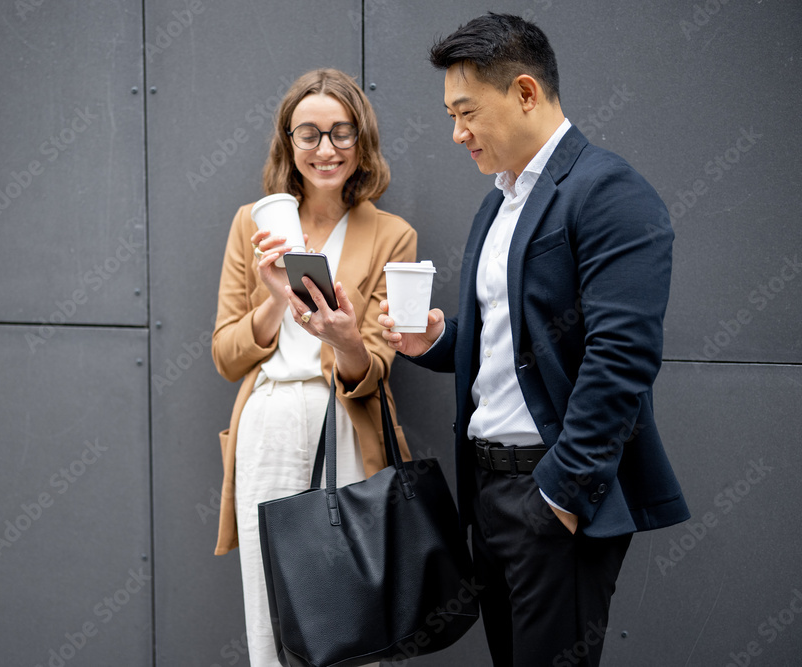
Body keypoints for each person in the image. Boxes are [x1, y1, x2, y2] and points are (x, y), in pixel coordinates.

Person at [378, 14, 689, 667]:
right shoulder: (497, 203)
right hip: (488, 495)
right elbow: (510, 343)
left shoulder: (607, 190)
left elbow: (622, 356)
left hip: (551, 497)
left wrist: (561, 495)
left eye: (466, 112)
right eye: (449, 114)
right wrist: (437, 341)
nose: (455, 132)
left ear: (525, 92)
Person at [212, 68, 416, 666]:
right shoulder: (253, 224)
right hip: (269, 422)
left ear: (362, 140)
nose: (326, 149)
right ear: (288, 142)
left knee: (354, 611)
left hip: (346, 423)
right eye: (309, 134)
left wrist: (347, 338)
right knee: (271, 611)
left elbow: (375, 370)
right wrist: (274, 295)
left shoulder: (390, 234)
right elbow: (226, 356)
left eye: (341, 132)